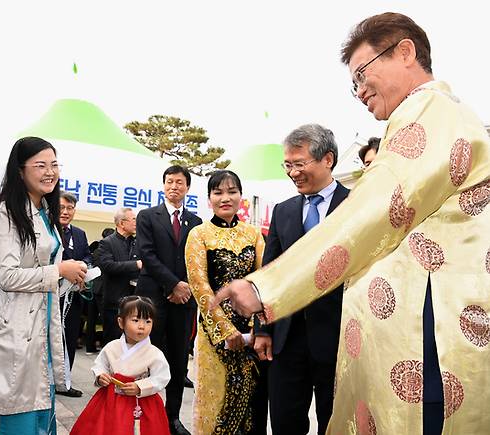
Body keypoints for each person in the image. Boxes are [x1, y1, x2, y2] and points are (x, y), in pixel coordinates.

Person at [213, 12, 490, 434]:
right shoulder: (431, 117)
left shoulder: (431, 110)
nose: (359, 91)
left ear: (405, 52)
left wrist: (265, 287)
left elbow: (378, 207)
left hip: (430, 337)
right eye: (353, 83)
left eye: (362, 73)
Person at [0, 137, 87, 435]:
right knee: (13, 409)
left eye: (54, 165)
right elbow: (6, 276)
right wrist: (58, 270)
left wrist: (68, 277)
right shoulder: (6, 212)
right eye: (40, 165)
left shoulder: (45, 212)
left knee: (38, 403)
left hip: (39, 326)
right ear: (20, 171)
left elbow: (42, 270)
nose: (50, 172)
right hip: (14, 327)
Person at [252, 124, 349, 435]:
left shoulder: (355, 206)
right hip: (286, 338)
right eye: (288, 165)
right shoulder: (284, 212)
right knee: (284, 421)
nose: (293, 173)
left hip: (338, 338)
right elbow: (270, 274)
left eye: (300, 164)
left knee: (334, 420)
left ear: (328, 160)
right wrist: (263, 329)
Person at [184, 170, 265, 434]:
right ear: (209, 198)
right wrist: (226, 331)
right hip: (214, 332)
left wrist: (257, 328)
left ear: (241, 196)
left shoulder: (253, 234)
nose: (225, 198)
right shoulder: (199, 234)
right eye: (218, 192)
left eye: (232, 191)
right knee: (216, 397)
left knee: (250, 401)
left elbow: (263, 282)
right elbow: (200, 287)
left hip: (251, 331)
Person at [135, 165, 202, 435]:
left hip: (183, 302)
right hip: (153, 301)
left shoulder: (196, 223)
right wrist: (174, 284)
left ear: (187, 188)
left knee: (177, 361)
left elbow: (196, 261)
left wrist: (184, 289)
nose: (174, 186)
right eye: (169, 182)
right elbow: (147, 255)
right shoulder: (148, 216)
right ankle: (144, 416)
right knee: (146, 359)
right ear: (163, 186)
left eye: (179, 182)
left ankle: (172, 417)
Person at [70, 296, 171, 435]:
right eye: (135, 320)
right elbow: (100, 365)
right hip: (111, 399)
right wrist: (101, 376)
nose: (142, 326)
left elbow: (162, 377)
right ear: (121, 322)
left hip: (141, 402)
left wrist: (140, 386)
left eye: (148, 321)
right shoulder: (112, 347)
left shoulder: (154, 353)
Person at [57, 191, 92, 398]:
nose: (65, 212)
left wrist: (84, 266)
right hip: (51, 295)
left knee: (70, 337)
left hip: (74, 295)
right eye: (61, 207)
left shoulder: (79, 233)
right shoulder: (48, 230)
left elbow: (87, 255)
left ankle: (65, 382)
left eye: (70, 208)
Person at [95, 208, 142, 344]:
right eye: (133, 219)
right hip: (114, 302)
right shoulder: (107, 243)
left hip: (135, 301)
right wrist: (136, 265)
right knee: (113, 343)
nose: (136, 223)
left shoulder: (138, 242)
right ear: (122, 223)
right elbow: (108, 266)